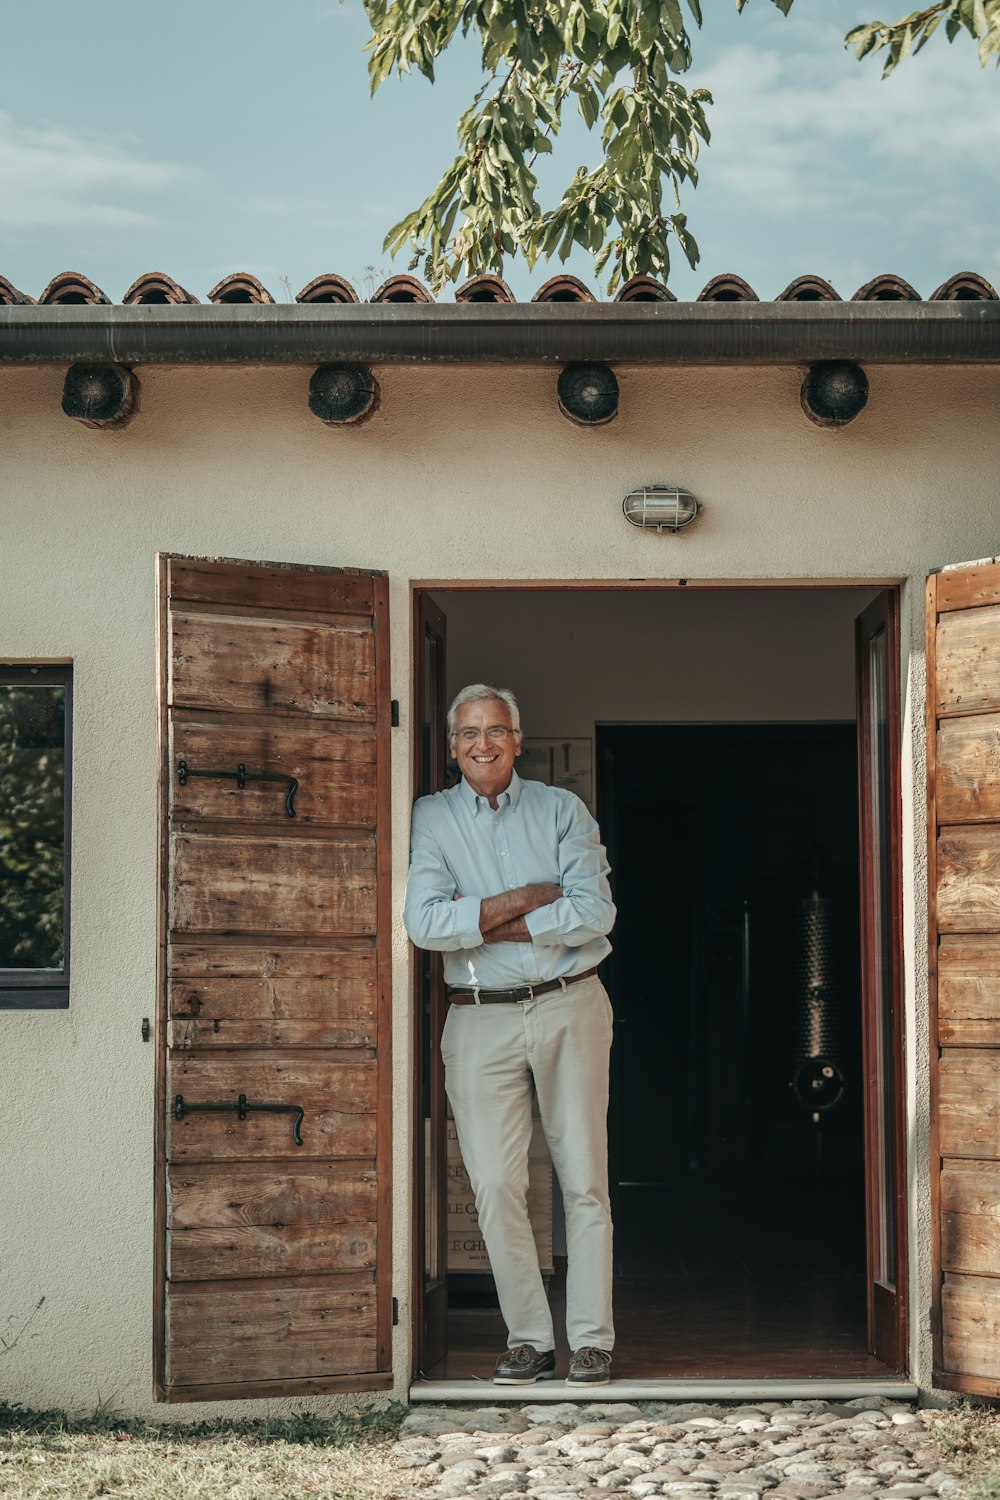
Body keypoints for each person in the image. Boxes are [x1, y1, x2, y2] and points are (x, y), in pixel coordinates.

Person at [403, 682, 617, 1386]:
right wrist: (529, 896)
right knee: (495, 1185)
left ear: (517, 741)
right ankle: (530, 1338)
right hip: (477, 1013)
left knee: (583, 1178)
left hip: (569, 1003)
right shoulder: (431, 818)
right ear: (454, 745)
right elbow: (425, 925)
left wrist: (481, 918)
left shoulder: (563, 810)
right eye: (469, 732)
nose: (483, 743)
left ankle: (591, 1340)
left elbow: (594, 913)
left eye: (496, 730)